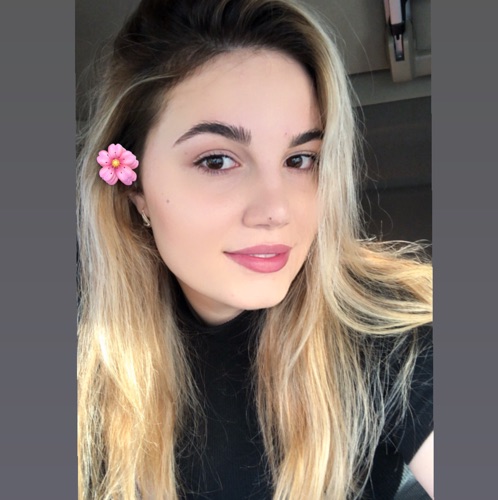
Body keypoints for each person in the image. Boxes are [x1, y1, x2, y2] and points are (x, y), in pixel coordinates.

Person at [77, 0, 433, 498]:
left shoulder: (395, 330)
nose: (276, 210)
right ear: (136, 190)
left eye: (300, 159)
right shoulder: (87, 363)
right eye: (217, 160)